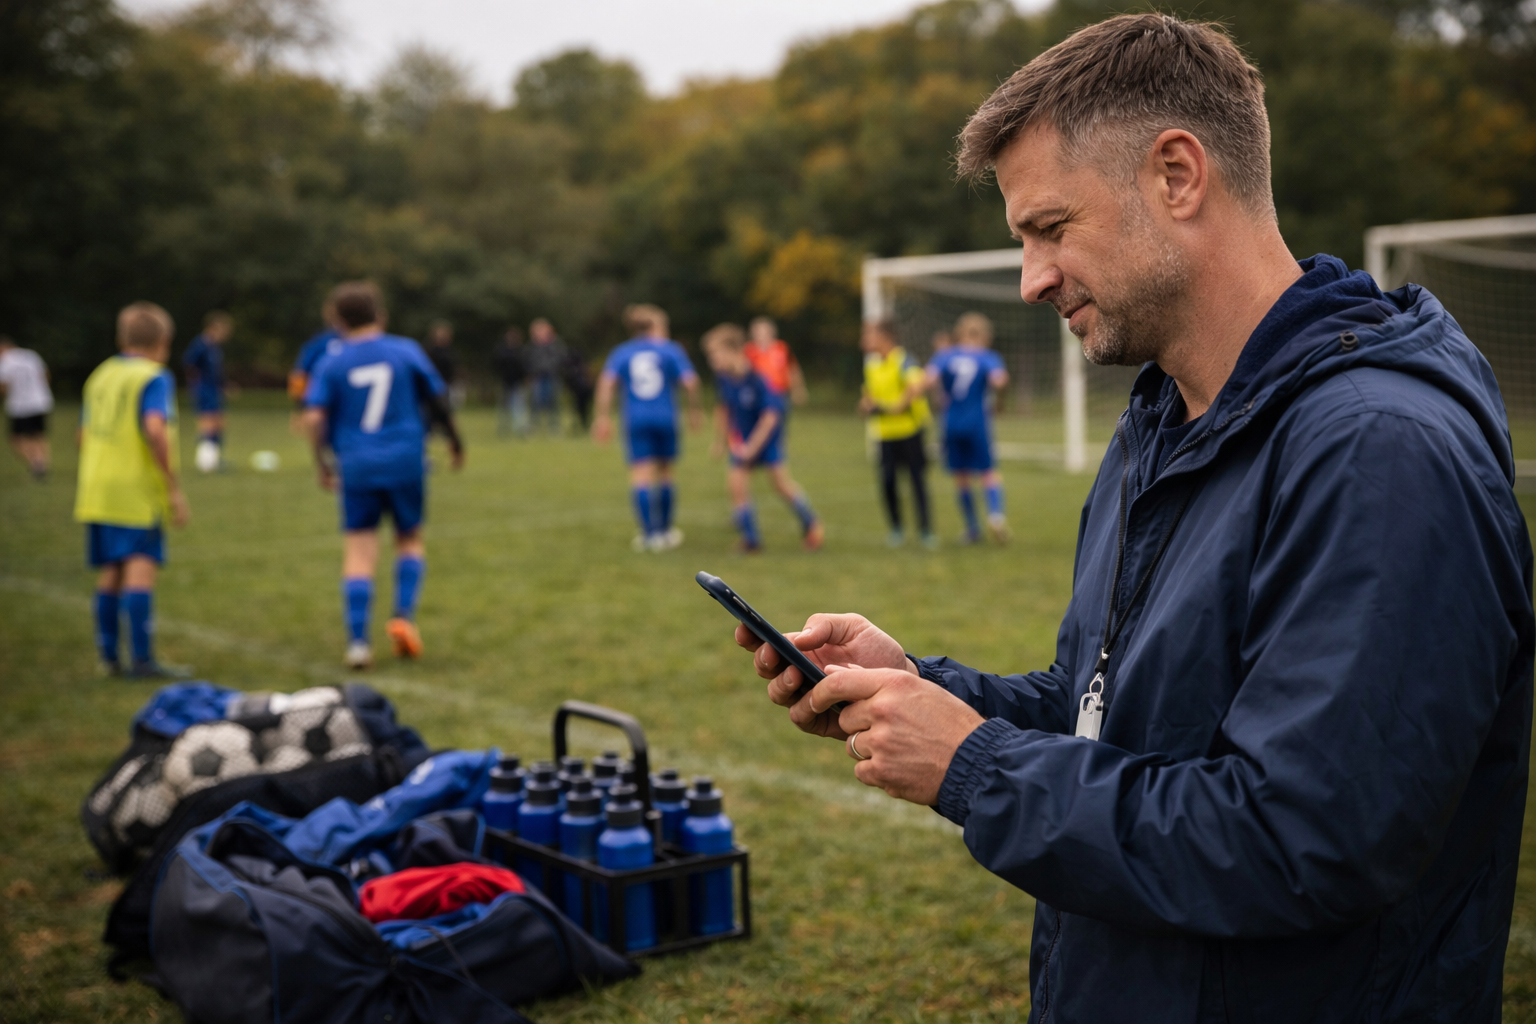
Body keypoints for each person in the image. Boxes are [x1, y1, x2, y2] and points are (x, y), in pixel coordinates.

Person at [734, 14, 1534, 1022]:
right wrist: (924, 690)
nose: (1031, 279)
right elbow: (1111, 711)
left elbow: (1306, 840)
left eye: (1051, 228)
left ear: (1178, 175)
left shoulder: (1379, 452)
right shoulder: (1161, 421)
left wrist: (974, 767)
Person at [303, 281, 464, 670]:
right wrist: (455, 441)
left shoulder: (331, 361)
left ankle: (358, 644)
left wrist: (322, 462)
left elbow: (313, 417)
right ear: (380, 314)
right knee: (409, 539)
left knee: (359, 550)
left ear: (338, 320)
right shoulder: (405, 350)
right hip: (406, 459)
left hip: (357, 463)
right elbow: (437, 398)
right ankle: (403, 617)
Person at [75, 302, 192, 679]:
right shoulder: (153, 377)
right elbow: (155, 429)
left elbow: (81, 436)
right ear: (163, 341)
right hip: (134, 490)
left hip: (96, 487)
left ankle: (109, 657)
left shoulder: (101, 375)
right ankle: (142, 660)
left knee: (111, 570)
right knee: (140, 568)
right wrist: (172, 486)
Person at [702, 323, 824, 553]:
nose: (712, 360)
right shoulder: (724, 378)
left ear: (733, 351)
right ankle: (751, 540)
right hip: (744, 440)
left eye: (715, 354)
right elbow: (725, 409)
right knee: (736, 485)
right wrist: (721, 441)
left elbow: (770, 417)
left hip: (767, 439)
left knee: (780, 485)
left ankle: (811, 523)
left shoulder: (758, 377)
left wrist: (753, 446)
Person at [593, 304, 702, 552]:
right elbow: (690, 381)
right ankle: (665, 531)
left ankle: (649, 534)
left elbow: (606, 383)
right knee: (666, 473)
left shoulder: (622, 352)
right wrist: (694, 411)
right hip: (666, 418)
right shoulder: (670, 350)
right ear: (654, 326)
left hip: (636, 419)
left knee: (640, 476)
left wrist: (602, 417)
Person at [924, 312, 1010, 544]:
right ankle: (996, 516)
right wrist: (1000, 401)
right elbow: (1000, 379)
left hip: (950, 423)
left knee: (961, 477)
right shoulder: (987, 357)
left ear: (959, 333)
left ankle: (972, 529)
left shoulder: (945, 355)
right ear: (986, 336)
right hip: (977, 423)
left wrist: (938, 395)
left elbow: (928, 379)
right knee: (988, 473)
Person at [859, 319, 933, 549]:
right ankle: (896, 529)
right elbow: (869, 395)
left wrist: (895, 407)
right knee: (888, 481)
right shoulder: (871, 365)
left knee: (917, 481)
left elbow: (916, 385)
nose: (864, 339)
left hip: (910, 431)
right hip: (884, 434)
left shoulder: (903, 359)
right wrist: (866, 405)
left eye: (869, 334)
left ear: (884, 337)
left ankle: (925, 531)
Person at [181, 312, 231, 473]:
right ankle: (205, 462)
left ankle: (214, 459)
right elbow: (189, 364)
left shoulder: (214, 347)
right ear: (212, 328)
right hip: (204, 389)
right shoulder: (200, 345)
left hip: (214, 390)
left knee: (218, 423)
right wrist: (194, 386)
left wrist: (224, 386)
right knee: (208, 424)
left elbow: (216, 371)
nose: (224, 335)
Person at [0, 334, 54, 480]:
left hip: (19, 405)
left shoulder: (5, 360)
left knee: (16, 438)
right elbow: (45, 375)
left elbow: (4, 386)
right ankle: (42, 464)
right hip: (40, 401)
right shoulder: (31, 355)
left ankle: (36, 464)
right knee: (38, 435)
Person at [289, 292, 345, 423]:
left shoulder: (319, 342)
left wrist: (300, 406)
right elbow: (299, 375)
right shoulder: (320, 343)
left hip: (323, 402)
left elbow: (299, 375)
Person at [745, 316, 809, 407]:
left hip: (778, 393)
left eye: (763, 331)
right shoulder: (748, 351)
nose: (760, 335)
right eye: (757, 331)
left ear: (771, 332)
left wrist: (798, 388)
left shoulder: (781, 348)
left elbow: (792, 369)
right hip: (756, 393)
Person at [525, 318, 567, 434]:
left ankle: (554, 427)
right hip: (537, 377)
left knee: (553, 402)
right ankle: (532, 427)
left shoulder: (555, 344)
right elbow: (527, 361)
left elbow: (561, 358)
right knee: (535, 402)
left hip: (552, 376)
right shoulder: (532, 346)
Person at [494, 326, 530, 437]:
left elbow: (524, 366)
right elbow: (498, 365)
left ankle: (519, 428)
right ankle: (503, 427)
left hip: (518, 382)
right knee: (504, 406)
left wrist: (525, 377)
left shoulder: (521, 351)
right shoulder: (502, 350)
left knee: (519, 406)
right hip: (505, 381)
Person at [425, 321, 464, 409]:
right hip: (433, 383)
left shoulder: (450, 351)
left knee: (446, 407)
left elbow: (453, 366)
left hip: (447, 383)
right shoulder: (429, 350)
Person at [562, 343, 596, 432]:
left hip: (583, 390)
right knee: (579, 408)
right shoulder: (575, 366)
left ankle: (585, 424)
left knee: (582, 408)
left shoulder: (580, 367)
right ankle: (581, 424)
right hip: (578, 390)